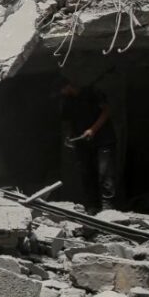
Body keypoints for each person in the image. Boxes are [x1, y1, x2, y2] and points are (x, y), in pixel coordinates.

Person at [59, 77, 117, 212]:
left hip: (103, 140)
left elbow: (106, 111)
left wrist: (92, 130)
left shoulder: (92, 93)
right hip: (83, 143)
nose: (62, 93)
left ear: (68, 86)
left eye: (63, 90)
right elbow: (69, 121)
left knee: (105, 174)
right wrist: (69, 136)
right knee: (87, 174)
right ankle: (92, 207)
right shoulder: (68, 100)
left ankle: (107, 208)